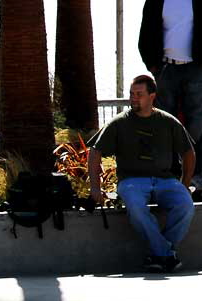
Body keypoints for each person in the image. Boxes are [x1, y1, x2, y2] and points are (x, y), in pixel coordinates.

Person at [88, 75, 195, 273]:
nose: (133, 98)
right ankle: (166, 254)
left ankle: (158, 254)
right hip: (132, 181)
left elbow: (188, 153)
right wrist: (95, 187)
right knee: (136, 206)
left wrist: (185, 183)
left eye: (139, 94)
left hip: (166, 181)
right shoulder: (119, 123)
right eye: (131, 94)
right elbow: (95, 152)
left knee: (186, 206)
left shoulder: (168, 122)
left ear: (152, 96)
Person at [138, 0, 202, 188]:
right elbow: (146, 32)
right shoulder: (155, 2)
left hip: (195, 69)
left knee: (197, 123)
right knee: (164, 123)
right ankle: (169, 173)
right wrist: (152, 65)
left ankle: (195, 175)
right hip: (166, 69)